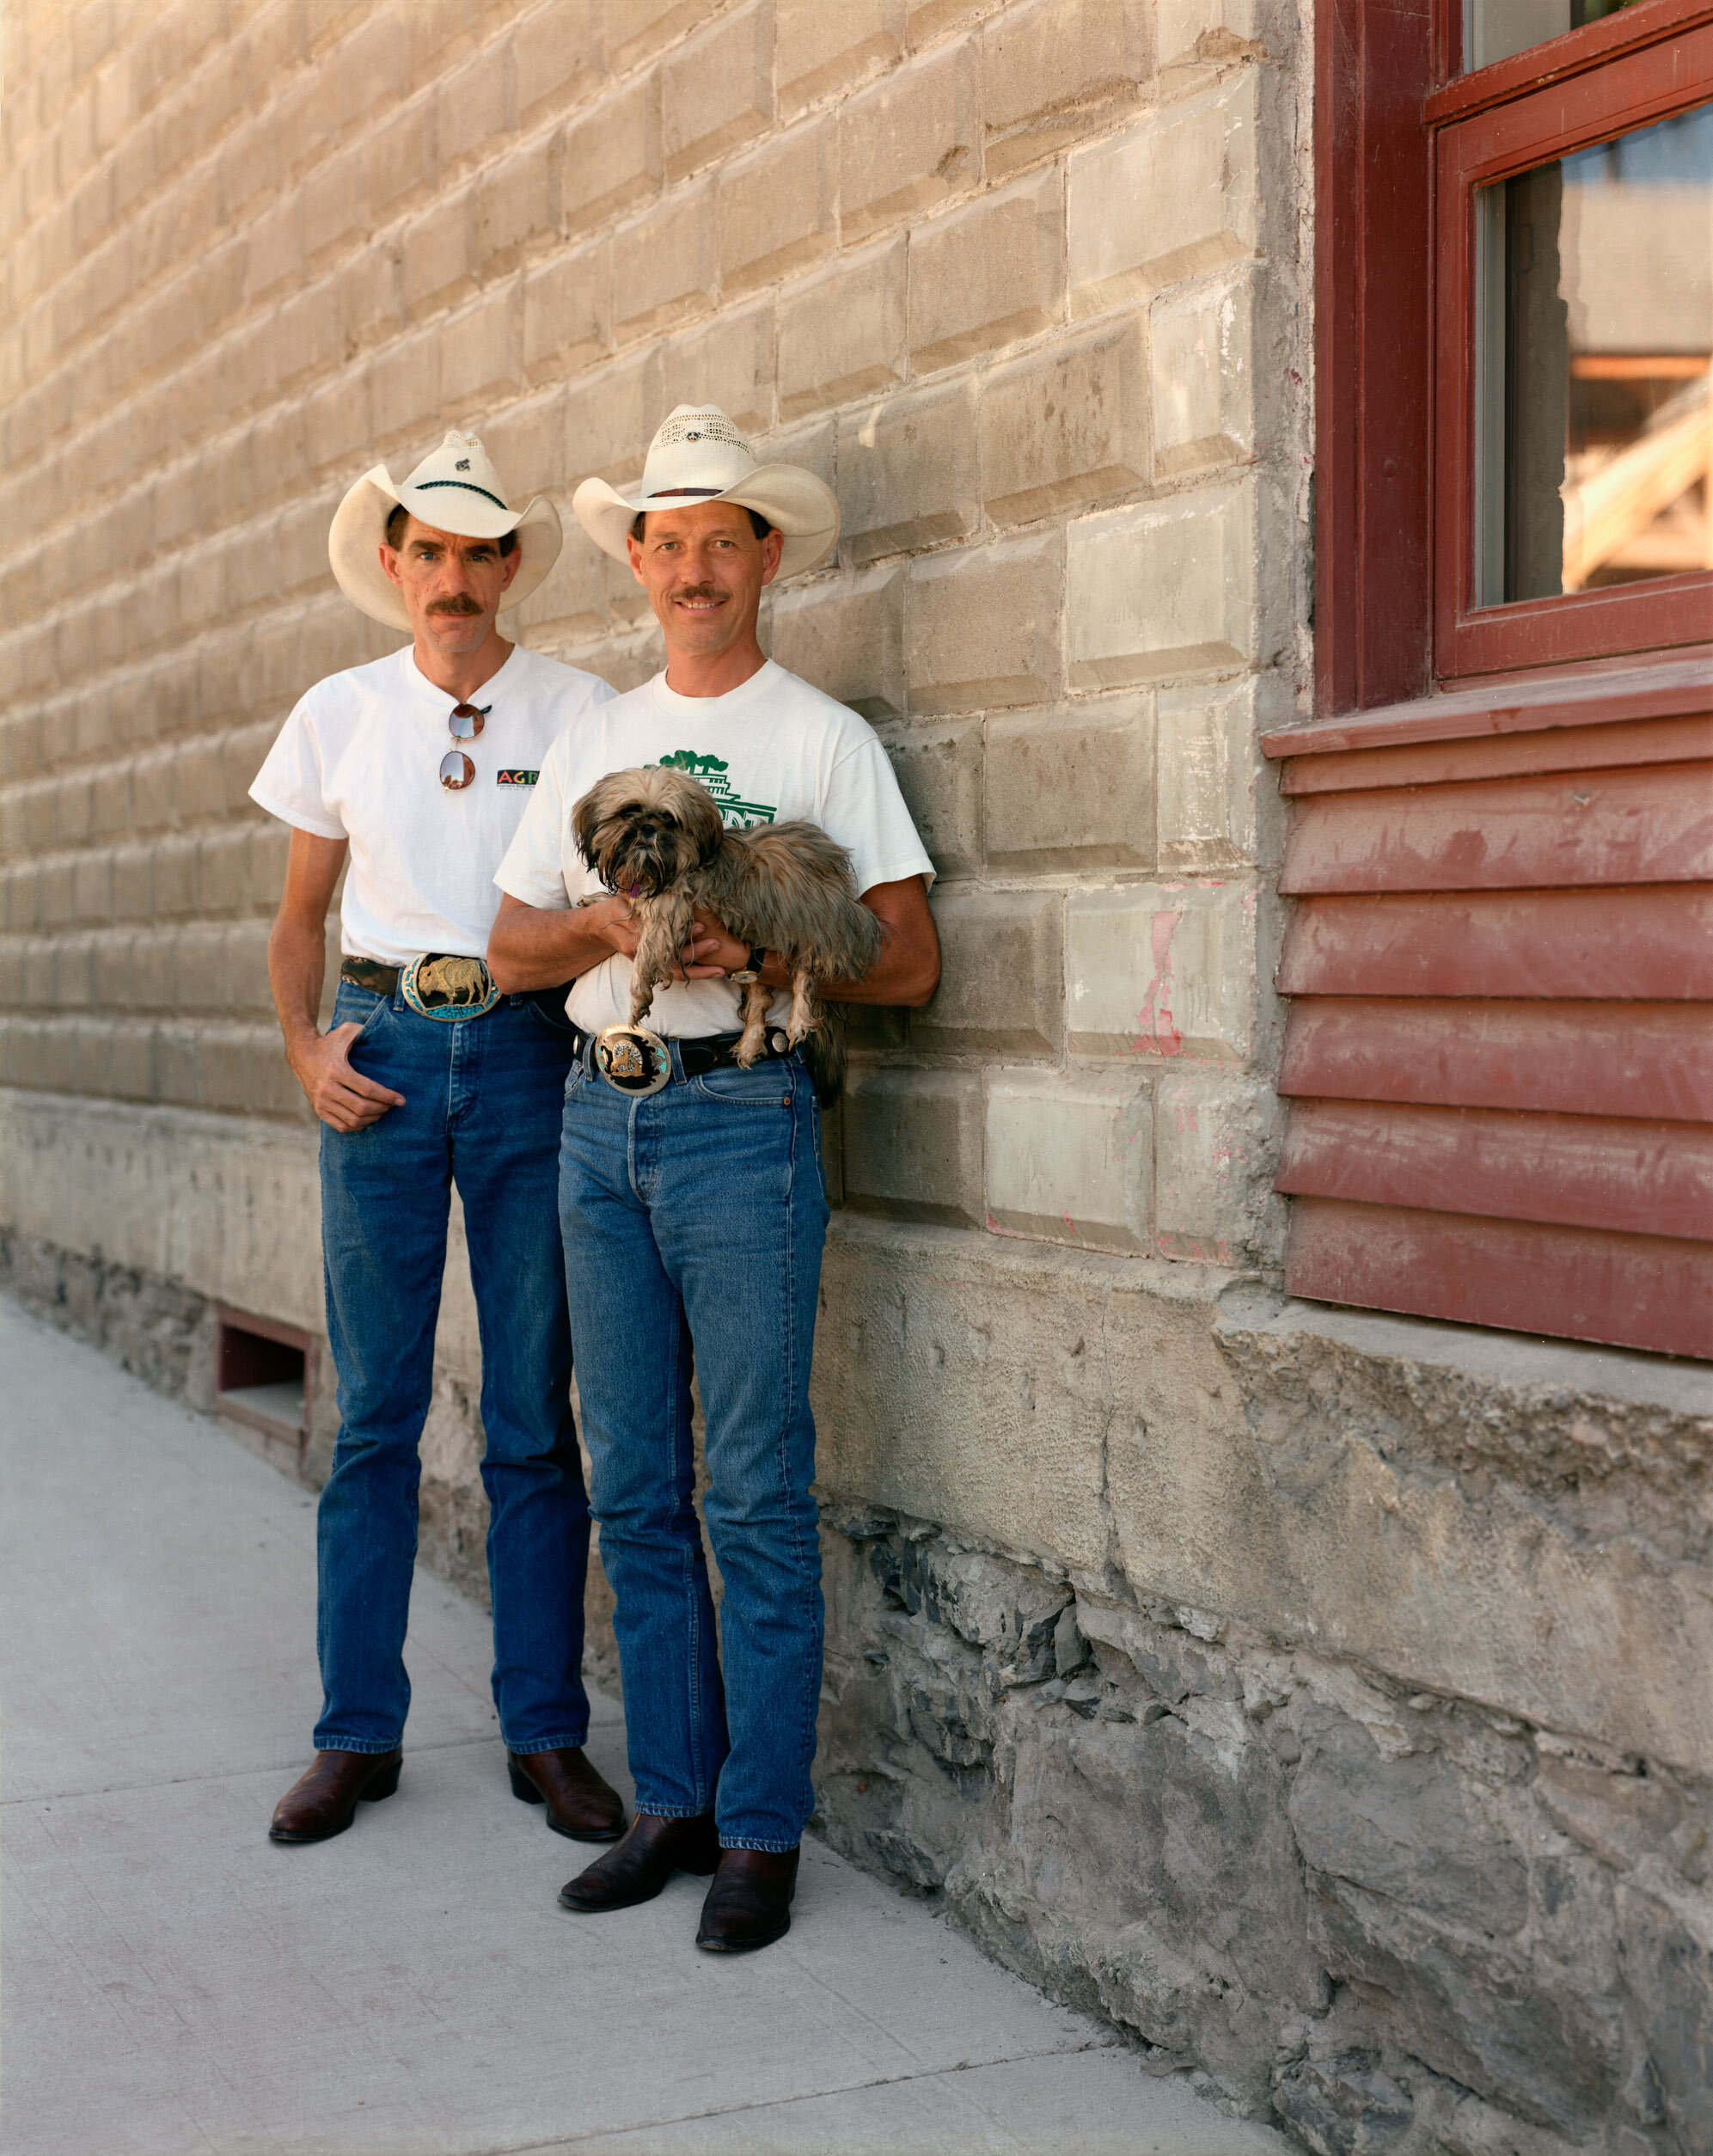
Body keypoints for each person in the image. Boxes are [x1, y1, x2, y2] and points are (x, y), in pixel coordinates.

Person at [487, 405, 940, 1952]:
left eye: (718, 541)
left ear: (766, 559)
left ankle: (760, 1831)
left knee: (747, 1489)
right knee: (631, 1482)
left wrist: (757, 945)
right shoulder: (593, 740)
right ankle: (672, 1801)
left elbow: (909, 958)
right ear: (635, 561)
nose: (692, 567)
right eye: (665, 540)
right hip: (592, 1124)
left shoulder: (823, 737)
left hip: (742, 1121)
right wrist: (606, 933)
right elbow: (505, 947)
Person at [252, 431, 627, 1848]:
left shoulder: (580, 707)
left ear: (511, 563)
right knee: (376, 1414)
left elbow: (605, 892)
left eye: (479, 553)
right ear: (396, 565)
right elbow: (298, 914)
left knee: (535, 1415)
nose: (453, 579)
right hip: (388, 1055)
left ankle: (545, 1734)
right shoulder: (339, 712)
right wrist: (304, 1050)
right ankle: (357, 1734)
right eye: (430, 553)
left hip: (534, 1054)